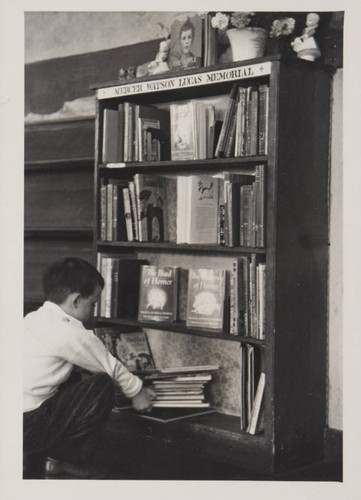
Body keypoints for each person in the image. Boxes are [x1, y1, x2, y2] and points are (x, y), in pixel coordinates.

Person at [23, 257, 155, 479]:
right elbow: (111, 367)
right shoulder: (72, 333)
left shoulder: (33, 319)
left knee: (72, 377)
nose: (93, 311)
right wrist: (138, 392)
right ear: (75, 301)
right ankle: (63, 460)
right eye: (92, 303)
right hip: (29, 425)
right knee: (101, 384)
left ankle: (35, 456)